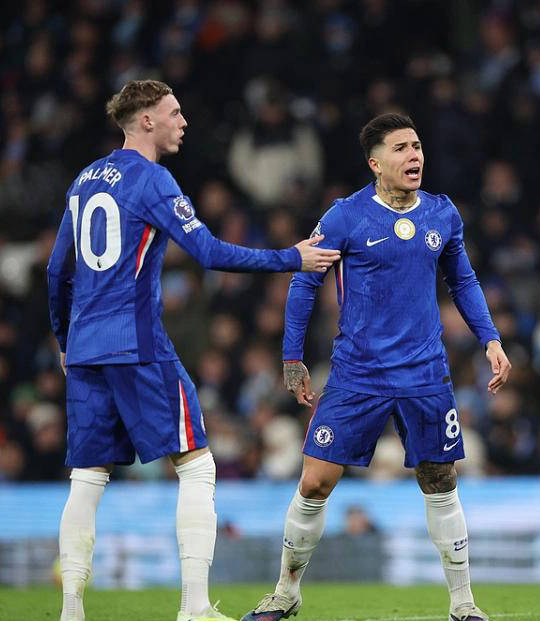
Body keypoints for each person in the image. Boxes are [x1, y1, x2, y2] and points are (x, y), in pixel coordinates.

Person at [47, 79, 340, 621]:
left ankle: (71, 612)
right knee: (197, 465)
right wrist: (290, 258)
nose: (183, 122)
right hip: (136, 343)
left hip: (86, 348)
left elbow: (56, 269)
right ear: (147, 120)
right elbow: (207, 251)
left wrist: (65, 340)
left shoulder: (84, 179)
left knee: (87, 478)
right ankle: (194, 607)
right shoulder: (152, 179)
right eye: (174, 113)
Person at [241, 113, 511, 621]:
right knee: (315, 482)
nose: (414, 156)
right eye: (401, 148)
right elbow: (304, 283)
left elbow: (463, 281)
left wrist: (490, 339)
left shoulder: (442, 213)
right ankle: (286, 592)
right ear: (375, 163)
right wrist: (293, 357)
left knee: (440, 479)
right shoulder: (345, 217)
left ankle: (463, 603)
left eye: (417, 146)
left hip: (424, 372)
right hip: (357, 374)